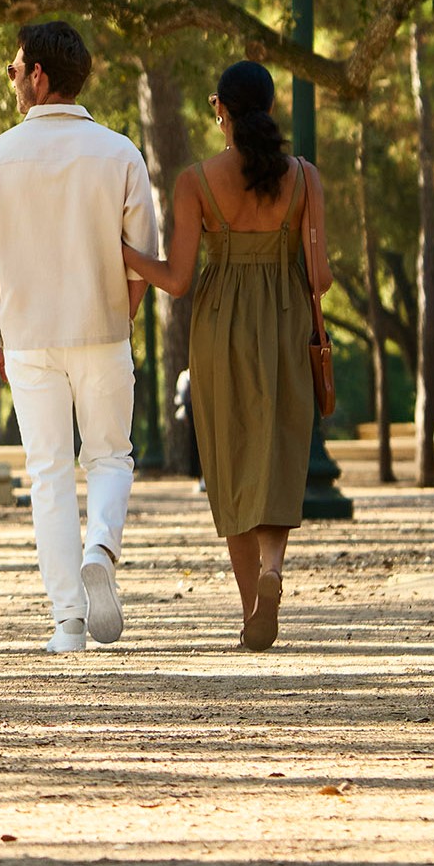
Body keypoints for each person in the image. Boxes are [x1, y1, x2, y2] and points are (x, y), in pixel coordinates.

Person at [0, 21, 162, 654]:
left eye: (15, 69)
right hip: (101, 330)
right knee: (110, 457)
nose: (12, 79)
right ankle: (101, 549)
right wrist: (119, 318)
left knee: (47, 472)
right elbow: (141, 261)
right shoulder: (120, 153)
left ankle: (69, 621)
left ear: (39, 76)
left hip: (28, 339)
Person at [122, 59, 333, 651]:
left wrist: (122, 252)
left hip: (219, 328)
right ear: (271, 106)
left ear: (221, 109)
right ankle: (273, 570)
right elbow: (319, 277)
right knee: (278, 451)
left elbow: (177, 279)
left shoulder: (195, 180)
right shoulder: (305, 177)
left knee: (230, 456)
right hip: (285, 322)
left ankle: (250, 613)